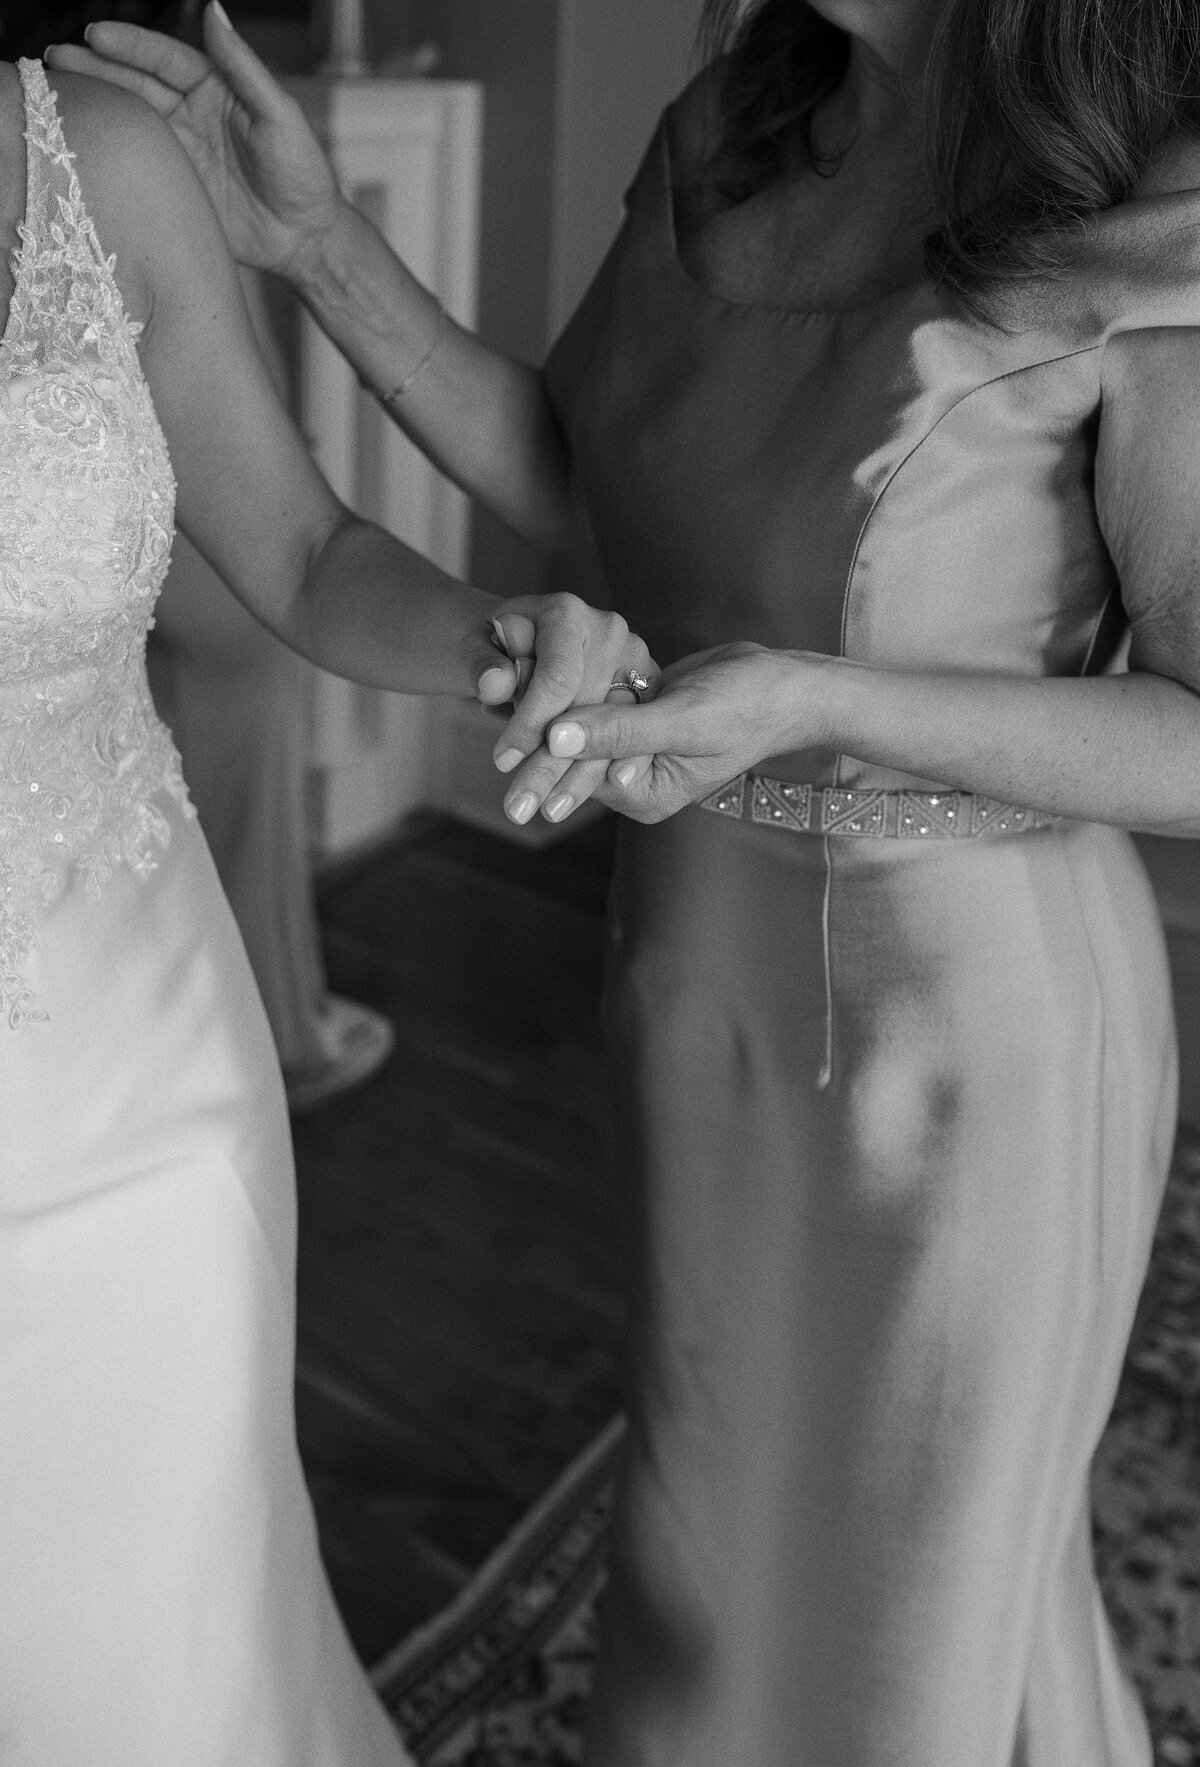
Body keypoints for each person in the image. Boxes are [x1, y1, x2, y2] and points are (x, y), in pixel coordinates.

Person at [58, 0, 1200, 1761]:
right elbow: (581, 491)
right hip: (692, 970)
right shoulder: (736, 122)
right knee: (712, 1567)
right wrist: (314, 245)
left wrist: (821, 699)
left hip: (967, 1036)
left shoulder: (1150, 202)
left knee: (901, 1622)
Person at [0, 43, 653, 1767]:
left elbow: (297, 552)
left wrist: (508, 645)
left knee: (168, 1641)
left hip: (144, 1090)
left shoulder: (100, 157)